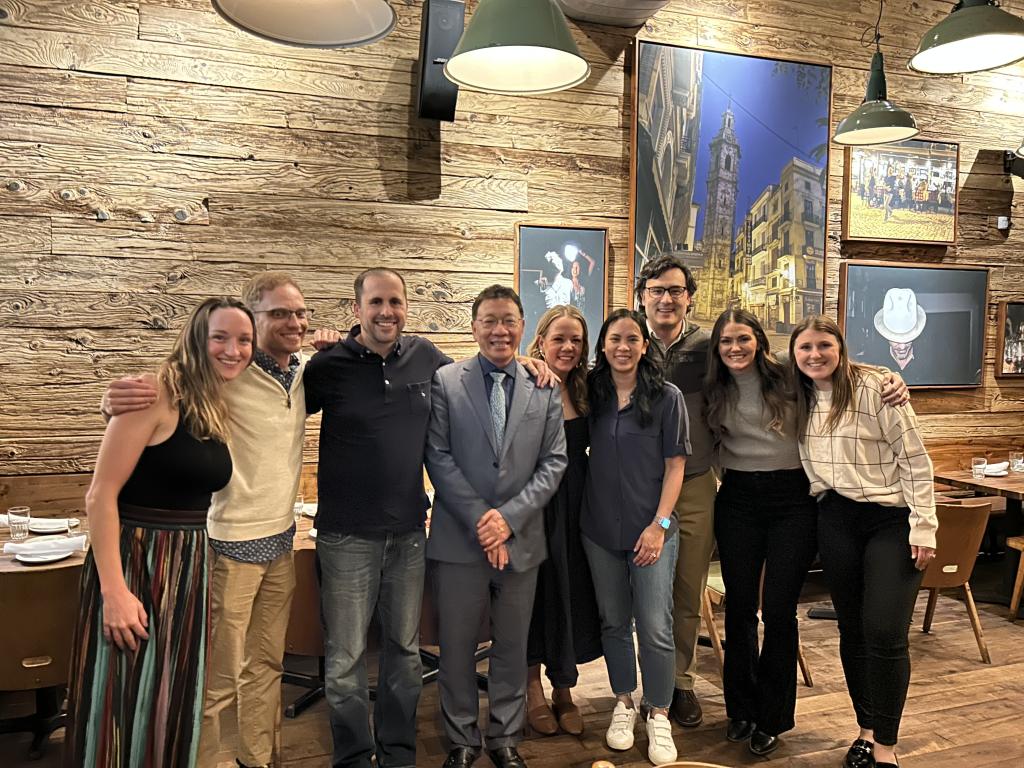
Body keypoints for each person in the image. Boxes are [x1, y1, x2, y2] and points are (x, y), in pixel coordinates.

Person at [103, 272, 317, 768]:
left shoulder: (305, 371)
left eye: (300, 313)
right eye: (279, 313)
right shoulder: (224, 372)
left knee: (266, 664)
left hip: (282, 540)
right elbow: (159, 394)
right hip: (226, 546)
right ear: (254, 317)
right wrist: (110, 401)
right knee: (217, 676)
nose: (294, 322)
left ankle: (255, 758)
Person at [65, 297, 254, 767]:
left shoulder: (212, 401)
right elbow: (100, 495)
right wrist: (114, 592)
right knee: (123, 695)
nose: (233, 350)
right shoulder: (151, 393)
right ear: (196, 339)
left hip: (188, 564)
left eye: (243, 340)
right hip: (136, 560)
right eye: (220, 337)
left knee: (171, 695)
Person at [425, 285, 567, 768]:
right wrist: (482, 521)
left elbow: (554, 462)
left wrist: (506, 520)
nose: (499, 329)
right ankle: (462, 739)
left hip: (522, 538)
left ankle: (505, 735)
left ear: (523, 327)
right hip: (459, 539)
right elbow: (438, 456)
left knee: (512, 645)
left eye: (508, 320)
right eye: (489, 320)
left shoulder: (545, 387)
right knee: (458, 647)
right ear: (474, 326)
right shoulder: (446, 380)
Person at [789, 315, 938, 768]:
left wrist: (924, 526)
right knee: (851, 628)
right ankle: (866, 730)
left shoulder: (876, 388)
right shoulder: (797, 394)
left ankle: (887, 748)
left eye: (824, 346)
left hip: (891, 520)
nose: (815, 355)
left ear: (841, 348)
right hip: (835, 516)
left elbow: (915, 460)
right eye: (805, 348)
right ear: (794, 355)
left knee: (885, 631)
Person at [703, 308, 818, 757]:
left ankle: (773, 717)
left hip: (793, 499)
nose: (735, 348)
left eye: (743, 339)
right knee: (740, 609)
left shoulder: (790, 377)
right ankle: (741, 710)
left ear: (759, 341)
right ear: (717, 347)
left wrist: (889, 378)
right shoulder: (714, 387)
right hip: (738, 499)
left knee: (779, 610)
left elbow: (840, 368)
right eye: (726, 341)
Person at [581, 309, 688, 766]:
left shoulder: (667, 397)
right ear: (602, 346)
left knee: (656, 625)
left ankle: (658, 710)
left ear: (645, 346)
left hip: (653, 533)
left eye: (632, 339)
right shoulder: (591, 394)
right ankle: (623, 701)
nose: (623, 347)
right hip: (599, 529)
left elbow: (676, 466)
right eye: (614, 339)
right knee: (613, 621)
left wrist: (658, 526)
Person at [635, 254, 715, 728]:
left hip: (696, 487)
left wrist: (873, 372)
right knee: (644, 595)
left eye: (675, 291)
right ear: (642, 294)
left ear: (689, 297)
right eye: (657, 290)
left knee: (687, 590)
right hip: (636, 489)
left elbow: (786, 363)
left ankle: (678, 682)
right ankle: (643, 684)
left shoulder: (710, 346)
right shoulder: (624, 341)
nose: (666, 299)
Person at [523, 306, 602, 737]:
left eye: (576, 340)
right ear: (541, 342)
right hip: (534, 501)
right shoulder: (523, 380)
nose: (568, 347)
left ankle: (564, 689)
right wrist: (521, 360)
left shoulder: (588, 387)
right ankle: (531, 689)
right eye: (559, 339)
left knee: (570, 593)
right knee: (533, 595)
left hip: (577, 501)